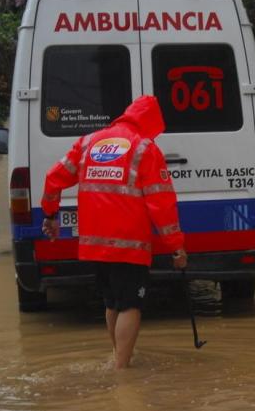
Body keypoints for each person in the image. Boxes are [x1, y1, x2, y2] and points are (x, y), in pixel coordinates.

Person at [41, 95, 187, 369]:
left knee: (112, 303)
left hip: (95, 244)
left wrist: (50, 214)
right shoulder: (145, 149)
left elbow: (53, 177)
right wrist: (176, 246)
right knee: (130, 305)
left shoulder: (88, 142)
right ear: (152, 123)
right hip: (129, 245)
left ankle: (118, 357)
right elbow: (161, 204)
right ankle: (122, 372)